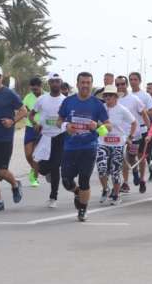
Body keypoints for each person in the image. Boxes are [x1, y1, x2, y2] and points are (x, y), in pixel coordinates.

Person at [58, 71, 111, 221]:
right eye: (83, 82)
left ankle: (82, 209)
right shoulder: (68, 102)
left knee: (84, 180)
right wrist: (66, 125)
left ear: (91, 84)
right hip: (70, 147)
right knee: (67, 181)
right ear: (77, 84)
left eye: (88, 83)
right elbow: (58, 121)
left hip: (89, 147)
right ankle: (77, 192)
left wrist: (98, 126)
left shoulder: (97, 104)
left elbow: (108, 127)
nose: (85, 85)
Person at [0, 64, 28, 212]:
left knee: (2, 171)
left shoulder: (9, 94)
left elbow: (23, 111)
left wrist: (12, 121)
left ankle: (15, 184)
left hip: (4, 137)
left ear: (2, 77)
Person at [97, 85, 137, 206]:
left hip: (118, 143)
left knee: (115, 170)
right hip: (103, 142)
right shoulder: (101, 109)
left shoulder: (122, 109)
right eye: (106, 95)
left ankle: (116, 194)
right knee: (101, 168)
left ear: (116, 97)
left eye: (110, 95)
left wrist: (130, 137)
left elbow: (134, 123)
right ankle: (105, 189)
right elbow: (95, 123)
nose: (108, 97)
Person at [30, 73, 66, 208]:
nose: (55, 84)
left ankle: (53, 197)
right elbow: (31, 114)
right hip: (45, 136)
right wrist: (35, 124)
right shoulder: (42, 99)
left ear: (60, 82)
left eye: (57, 81)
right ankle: (48, 172)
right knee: (42, 167)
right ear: (49, 83)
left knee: (56, 166)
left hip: (59, 136)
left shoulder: (65, 100)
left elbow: (69, 117)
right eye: (52, 81)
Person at [126, 72, 152, 192]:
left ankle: (142, 179)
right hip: (131, 132)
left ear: (139, 81)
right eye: (131, 79)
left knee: (141, 156)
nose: (133, 82)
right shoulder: (126, 96)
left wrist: (141, 112)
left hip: (142, 129)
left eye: (135, 79)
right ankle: (135, 172)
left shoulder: (145, 96)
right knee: (131, 156)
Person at [22, 76, 44, 187]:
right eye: (32, 89)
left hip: (43, 129)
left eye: (36, 89)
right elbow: (24, 110)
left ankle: (35, 178)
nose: (34, 91)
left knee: (36, 155)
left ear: (41, 87)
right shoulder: (27, 97)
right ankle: (34, 169)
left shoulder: (47, 97)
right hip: (30, 127)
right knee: (28, 154)